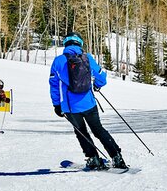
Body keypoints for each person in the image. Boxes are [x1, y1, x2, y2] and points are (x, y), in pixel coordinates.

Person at [49, 32, 127, 170]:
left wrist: (56, 105)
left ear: (66, 44)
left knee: (81, 133)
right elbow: (102, 76)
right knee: (98, 130)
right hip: (88, 103)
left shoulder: (58, 61)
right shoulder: (88, 58)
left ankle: (93, 158)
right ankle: (117, 157)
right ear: (80, 44)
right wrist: (97, 85)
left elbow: (54, 85)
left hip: (70, 107)